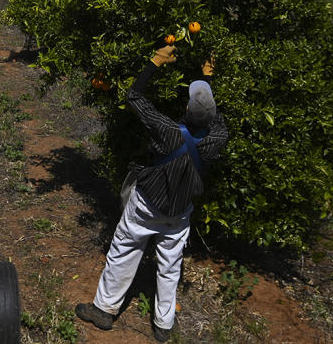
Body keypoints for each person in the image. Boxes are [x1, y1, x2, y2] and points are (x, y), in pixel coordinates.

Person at [75, 45, 229, 342]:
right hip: (178, 214)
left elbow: (134, 98)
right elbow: (214, 118)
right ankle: (163, 324)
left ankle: (104, 310)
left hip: (146, 206)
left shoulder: (167, 130)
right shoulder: (218, 139)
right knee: (170, 267)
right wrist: (207, 81)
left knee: (124, 252)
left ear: (185, 109)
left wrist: (155, 62)